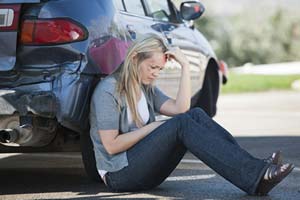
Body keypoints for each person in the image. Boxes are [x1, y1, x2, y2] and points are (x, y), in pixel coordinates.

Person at [89, 34, 294, 196]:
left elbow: (181, 109)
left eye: (160, 69)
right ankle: (257, 175)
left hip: (142, 167)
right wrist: (153, 127)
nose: (156, 74)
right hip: (119, 174)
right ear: (134, 59)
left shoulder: (146, 87)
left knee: (195, 114)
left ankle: (255, 170)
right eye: (152, 67)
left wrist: (185, 65)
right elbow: (111, 145)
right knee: (181, 124)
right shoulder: (109, 91)